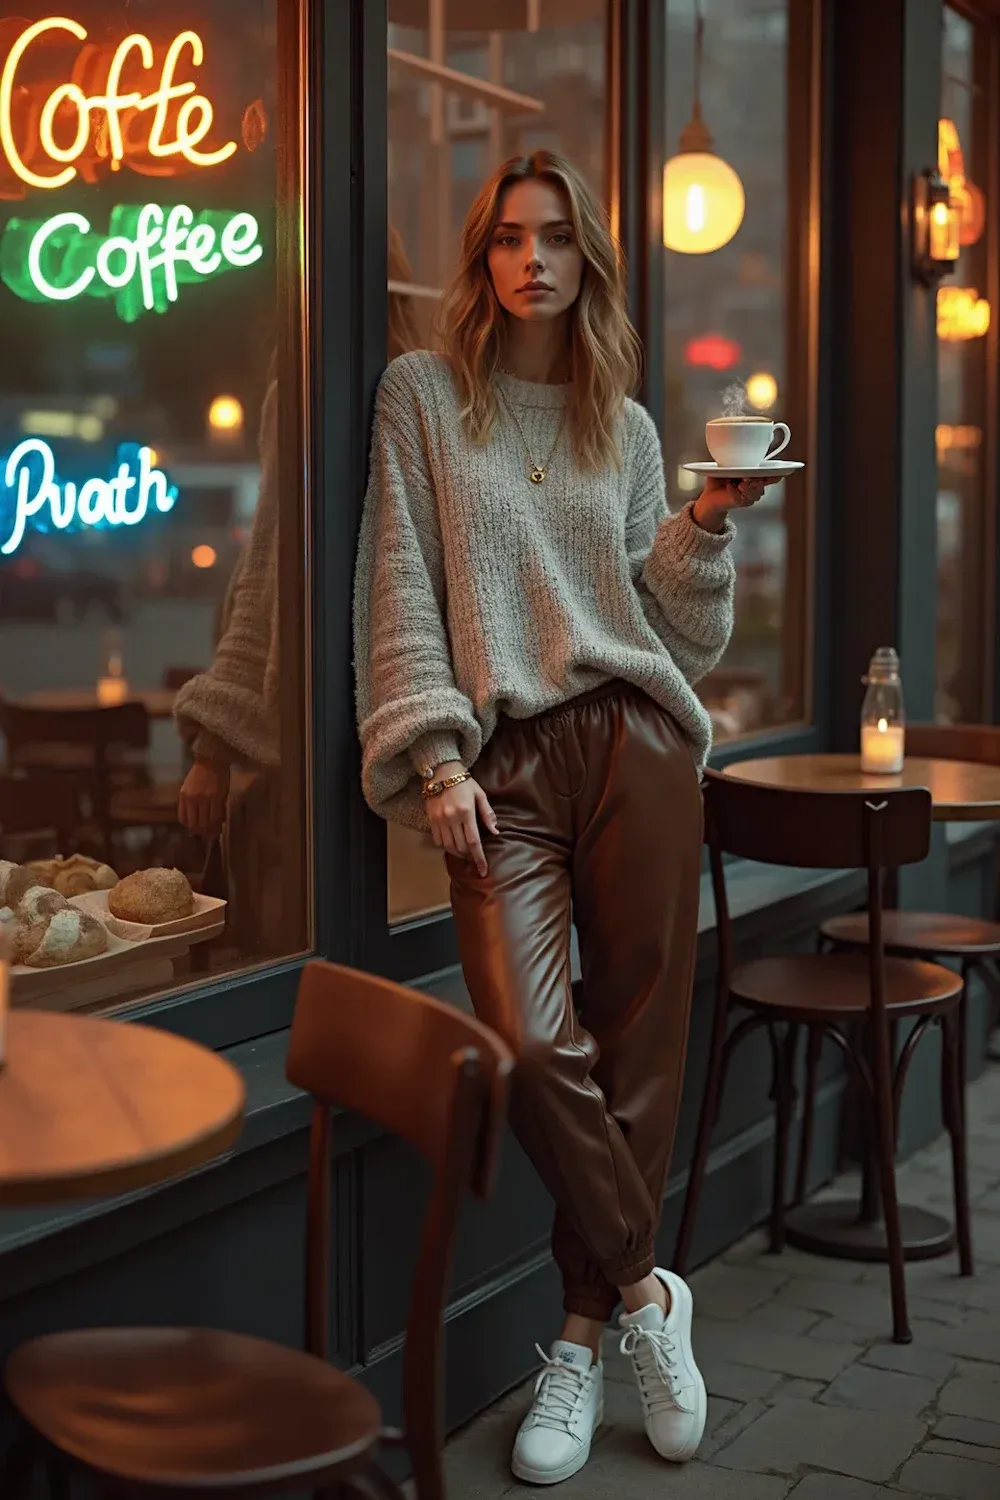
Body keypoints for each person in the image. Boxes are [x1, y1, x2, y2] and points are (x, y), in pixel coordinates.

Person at [354, 151, 771, 1487]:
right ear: (482, 259)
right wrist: (434, 759)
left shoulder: (627, 426)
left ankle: (583, 1339)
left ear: (588, 258)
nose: (532, 260)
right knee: (537, 1046)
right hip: (505, 770)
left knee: (638, 1055)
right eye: (507, 238)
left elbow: (672, 637)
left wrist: (704, 524)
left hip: (637, 746)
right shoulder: (424, 397)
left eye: (555, 238)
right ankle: (652, 1292)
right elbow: (399, 582)